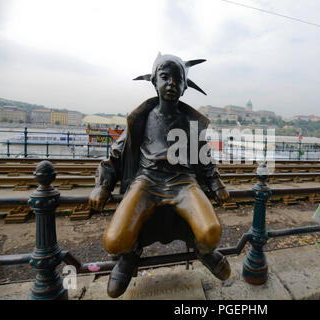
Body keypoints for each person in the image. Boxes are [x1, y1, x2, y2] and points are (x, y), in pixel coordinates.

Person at [88, 53, 231, 298]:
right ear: (154, 81)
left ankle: (203, 250)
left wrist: (215, 182)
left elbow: (204, 154)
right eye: (165, 77)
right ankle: (128, 256)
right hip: (146, 182)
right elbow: (117, 152)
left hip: (184, 183)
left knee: (211, 234)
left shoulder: (190, 122)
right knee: (113, 241)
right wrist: (103, 185)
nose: (172, 84)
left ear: (185, 87)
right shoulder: (141, 119)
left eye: (178, 79)